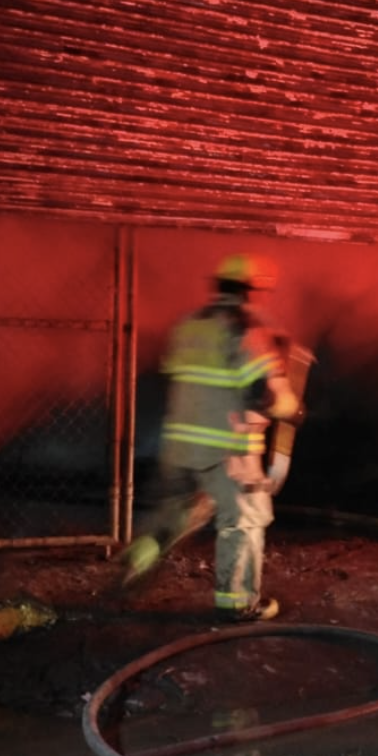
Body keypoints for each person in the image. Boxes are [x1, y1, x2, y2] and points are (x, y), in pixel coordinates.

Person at [116, 253, 301, 622]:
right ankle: (239, 602)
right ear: (253, 291)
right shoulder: (244, 328)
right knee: (245, 520)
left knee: (182, 512)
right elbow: (261, 393)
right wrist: (289, 404)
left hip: (179, 445)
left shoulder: (189, 325)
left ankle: (138, 557)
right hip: (226, 449)